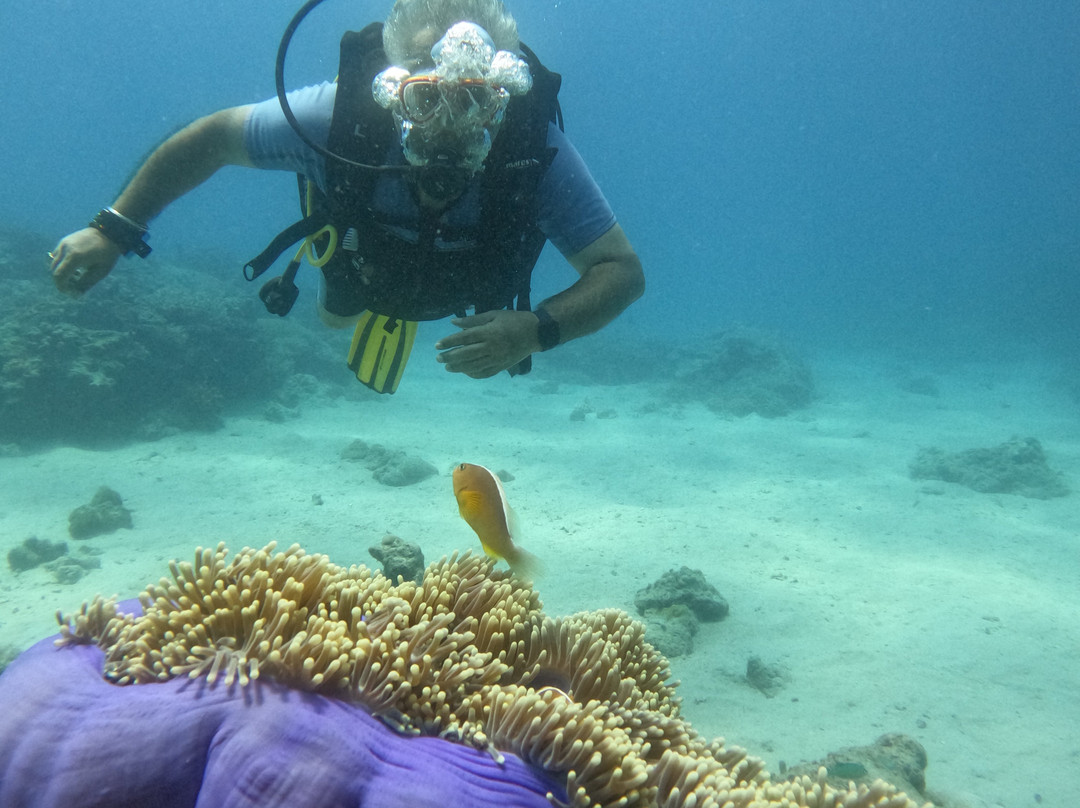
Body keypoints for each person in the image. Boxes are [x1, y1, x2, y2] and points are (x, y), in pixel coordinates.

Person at [49, 0, 644, 390]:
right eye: (424, 90)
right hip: (361, 259)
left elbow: (620, 271)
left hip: (474, 294)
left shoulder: (532, 149)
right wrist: (115, 228)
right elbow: (211, 140)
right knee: (337, 317)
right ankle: (346, 287)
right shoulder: (340, 116)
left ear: (502, 90)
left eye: (472, 97)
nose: (446, 118)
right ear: (391, 81)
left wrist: (535, 329)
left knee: (353, 314)